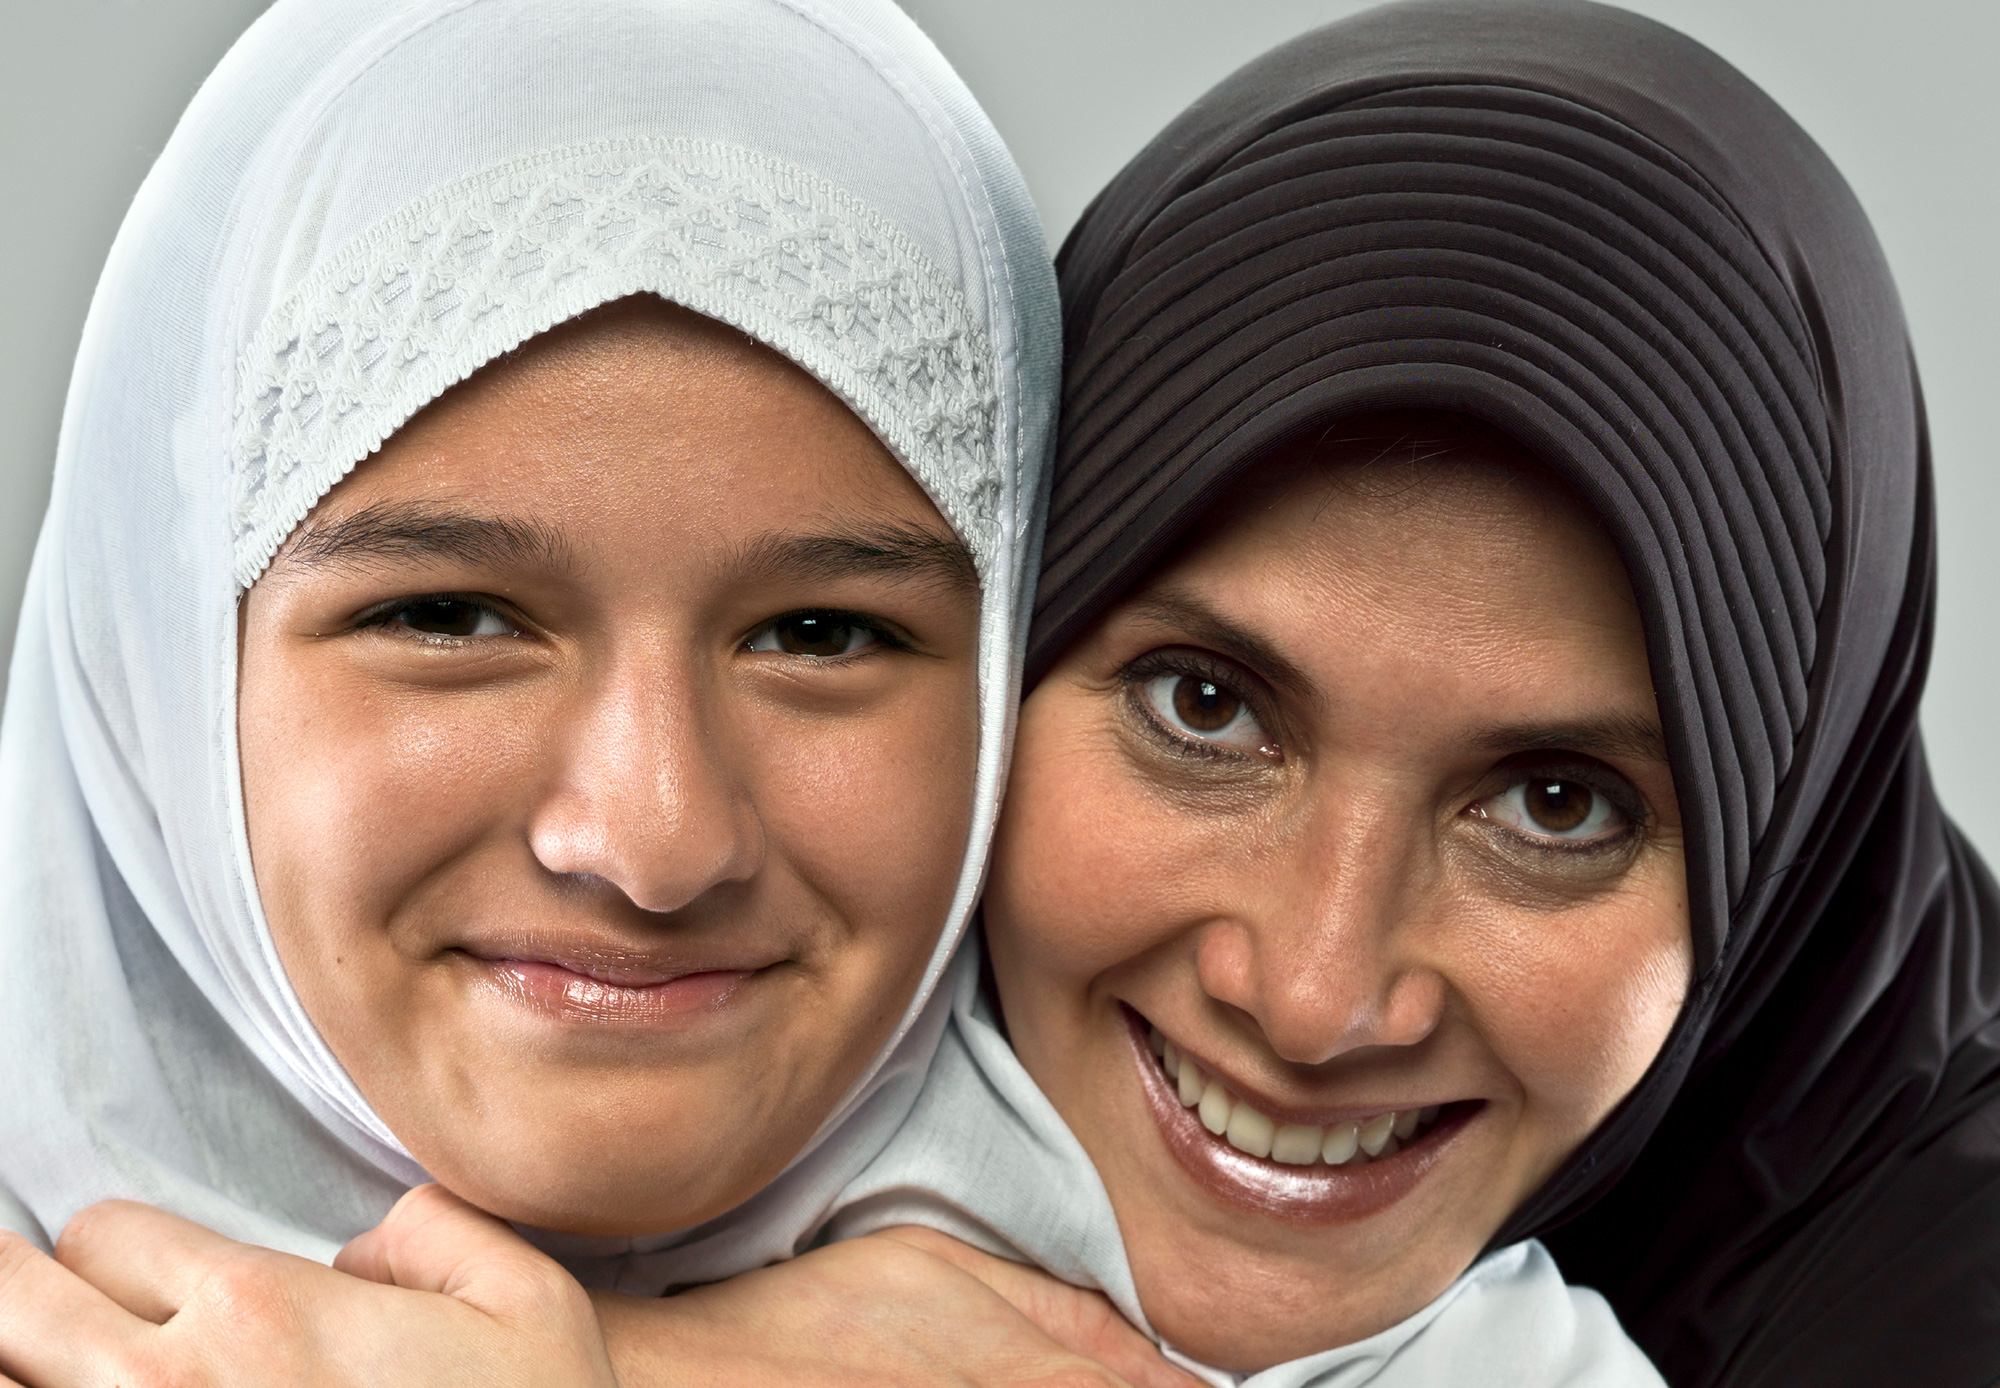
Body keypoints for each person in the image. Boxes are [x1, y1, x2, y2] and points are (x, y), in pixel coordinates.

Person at [0, 0, 1118, 1380]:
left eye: (819, 634)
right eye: (450, 617)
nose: (655, 843)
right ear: (155, 662)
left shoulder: (1287, 1310)